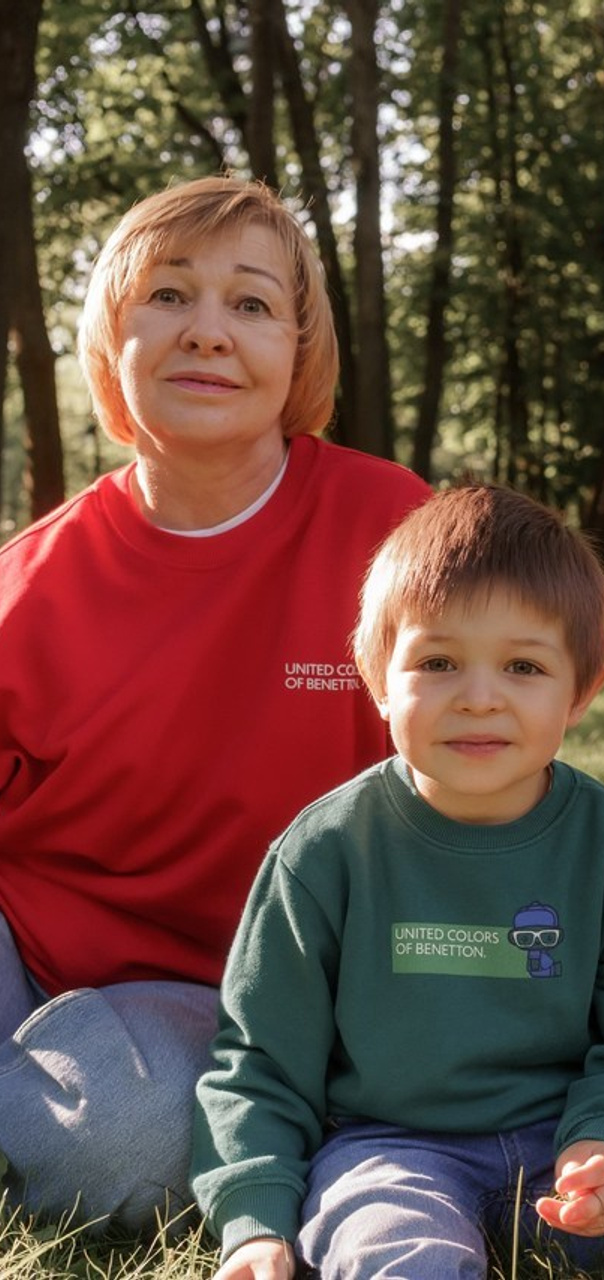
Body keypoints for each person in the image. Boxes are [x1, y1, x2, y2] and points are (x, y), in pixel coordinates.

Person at [189, 484, 604, 1280]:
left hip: (575, 1149)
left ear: (583, 690)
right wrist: (255, 1220)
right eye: (438, 662)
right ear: (376, 676)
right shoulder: (325, 853)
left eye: (524, 665)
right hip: (393, 1149)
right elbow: (258, 1063)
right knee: (375, 1228)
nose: (480, 696)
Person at [0, 176, 431, 1229]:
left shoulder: (395, 528)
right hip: (41, 959)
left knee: (126, 1144)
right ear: (111, 339)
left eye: (249, 304)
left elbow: (491, 775)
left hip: (251, 996)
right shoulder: (26, 586)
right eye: (168, 296)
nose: (207, 333)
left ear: (298, 347)